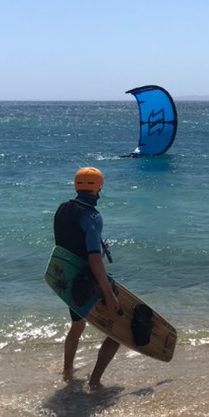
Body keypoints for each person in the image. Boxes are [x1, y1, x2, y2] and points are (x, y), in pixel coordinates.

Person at [54, 166, 120, 389]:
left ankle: (67, 370)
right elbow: (94, 261)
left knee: (77, 325)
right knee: (119, 329)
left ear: (76, 185)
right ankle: (95, 382)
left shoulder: (62, 209)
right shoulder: (92, 216)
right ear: (98, 187)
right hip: (88, 283)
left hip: (67, 281)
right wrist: (109, 295)